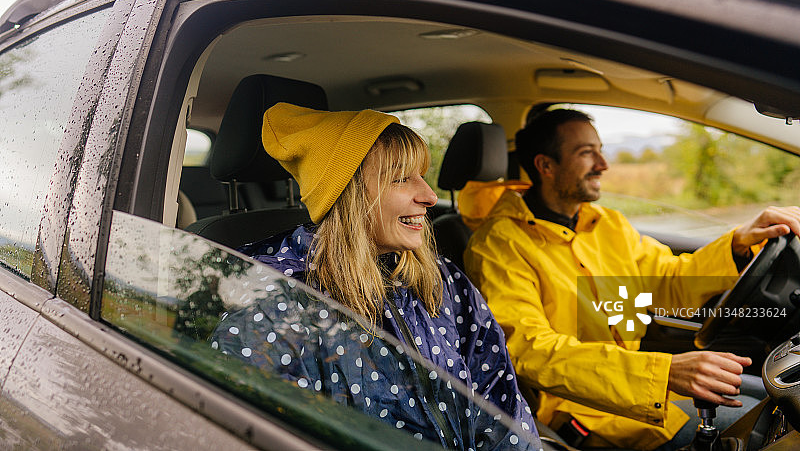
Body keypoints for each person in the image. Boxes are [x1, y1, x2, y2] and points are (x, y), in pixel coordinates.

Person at [463, 108, 800, 450]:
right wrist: (663, 372)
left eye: (600, 149)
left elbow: (669, 280)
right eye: (586, 153)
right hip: (579, 415)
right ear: (546, 166)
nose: (603, 164)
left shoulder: (607, 224)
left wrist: (737, 242)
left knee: (774, 399)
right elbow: (528, 350)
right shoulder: (498, 244)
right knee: (774, 426)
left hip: (643, 397)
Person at [211, 103, 540, 450]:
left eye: (422, 176)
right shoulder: (274, 313)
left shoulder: (445, 282)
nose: (429, 196)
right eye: (400, 178)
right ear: (348, 195)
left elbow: (500, 407)